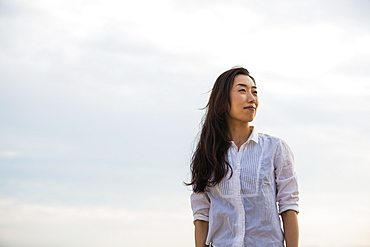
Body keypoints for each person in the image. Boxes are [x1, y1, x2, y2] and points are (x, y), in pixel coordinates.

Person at [187, 67, 299, 247]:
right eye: (242, 90)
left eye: (254, 92)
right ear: (222, 99)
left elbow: (288, 205)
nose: (252, 98)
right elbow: (201, 214)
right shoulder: (207, 154)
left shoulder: (275, 148)